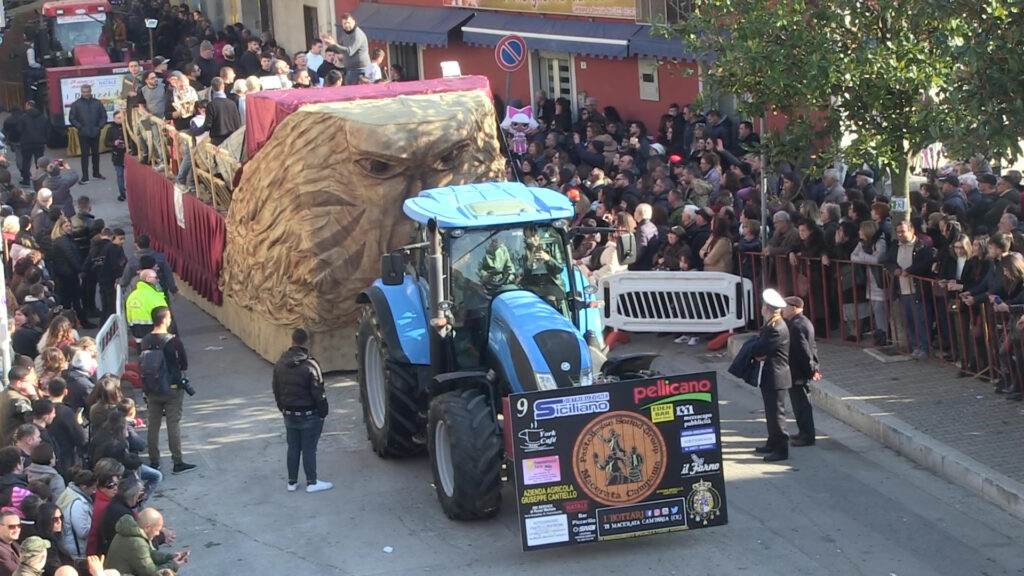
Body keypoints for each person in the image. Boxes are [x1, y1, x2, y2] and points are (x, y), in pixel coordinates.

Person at [272, 328, 331, 493]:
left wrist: (282, 408)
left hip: (289, 414)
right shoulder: (311, 365)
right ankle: (312, 481)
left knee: (293, 447)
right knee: (309, 448)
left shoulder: (280, 364)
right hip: (309, 414)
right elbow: (319, 392)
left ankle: (292, 482)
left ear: (292, 342)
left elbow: (276, 389)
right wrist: (322, 413)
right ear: (308, 342)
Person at [140, 308, 196, 475]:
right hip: (172, 388)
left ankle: (154, 461)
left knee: (153, 425)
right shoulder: (173, 341)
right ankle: (177, 461)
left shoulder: (145, 340)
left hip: (152, 388)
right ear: (165, 319)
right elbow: (183, 364)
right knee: (173, 423)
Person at [750, 289, 792, 462]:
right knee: (770, 412)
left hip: (776, 376)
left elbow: (760, 349)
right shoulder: (771, 324)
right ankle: (772, 442)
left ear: (766, 308)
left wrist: (755, 349)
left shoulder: (776, 328)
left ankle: (781, 449)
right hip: (770, 376)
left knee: (777, 415)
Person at [782, 297, 819, 446]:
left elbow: (804, 352)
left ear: (793, 308)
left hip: (799, 372)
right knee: (799, 404)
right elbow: (813, 347)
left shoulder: (796, 326)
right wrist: (815, 366)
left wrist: (811, 370)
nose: (783, 310)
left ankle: (807, 436)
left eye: (785, 307)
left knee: (802, 404)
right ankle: (803, 432)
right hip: (801, 371)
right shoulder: (803, 322)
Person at [104, 508, 186, 576]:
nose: (158, 533)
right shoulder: (137, 543)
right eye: (157, 530)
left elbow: (148, 553)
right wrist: (173, 565)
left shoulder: (129, 532)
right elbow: (152, 573)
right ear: (147, 527)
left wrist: (169, 557)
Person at [67, 85, 106, 183]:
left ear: (90, 91)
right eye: (84, 92)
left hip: (95, 132)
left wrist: (99, 127)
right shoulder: (76, 104)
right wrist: (80, 127)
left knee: (96, 154)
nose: (86, 93)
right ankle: (85, 177)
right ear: (81, 92)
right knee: (84, 155)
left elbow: (103, 116)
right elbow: (72, 118)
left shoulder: (97, 103)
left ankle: (96, 173)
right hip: (83, 134)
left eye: (87, 91)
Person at [54, 468, 95, 560]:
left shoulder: (68, 493)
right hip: (76, 549)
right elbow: (82, 531)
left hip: (68, 543)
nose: (94, 491)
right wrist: (96, 525)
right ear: (84, 487)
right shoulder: (78, 504)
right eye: (92, 488)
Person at [323, 14, 370, 85]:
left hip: (361, 70)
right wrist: (330, 44)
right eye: (344, 23)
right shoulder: (345, 34)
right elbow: (340, 49)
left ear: (354, 22)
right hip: (349, 70)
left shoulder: (358, 35)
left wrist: (334, 44)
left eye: (349, 23)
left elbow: (349, 51)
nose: (347, 25)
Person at [0, 366, 37, 446]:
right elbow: (35, 418)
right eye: (29, 381)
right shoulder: (19, 400)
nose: (32, 384)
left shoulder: (3, 394)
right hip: (13, 444)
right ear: (19, 383)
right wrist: (34, 396)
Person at [104, 111, 127, 201]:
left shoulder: (127, 127)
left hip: (127, 154)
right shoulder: (111, 129)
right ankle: (122, 194)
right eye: (118, 118)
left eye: (122, 117)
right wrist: (114, 143)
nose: (120, 120)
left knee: (129, 176)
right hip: (117, 155)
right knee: (120, 175)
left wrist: (127, 144)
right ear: (114, 118)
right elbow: (106, 143)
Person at [0, 507, 20, 575]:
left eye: (19, 526)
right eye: (12, 527)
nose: (17, 530)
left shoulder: (14, 544)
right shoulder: (1, 551)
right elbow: (16, 572)